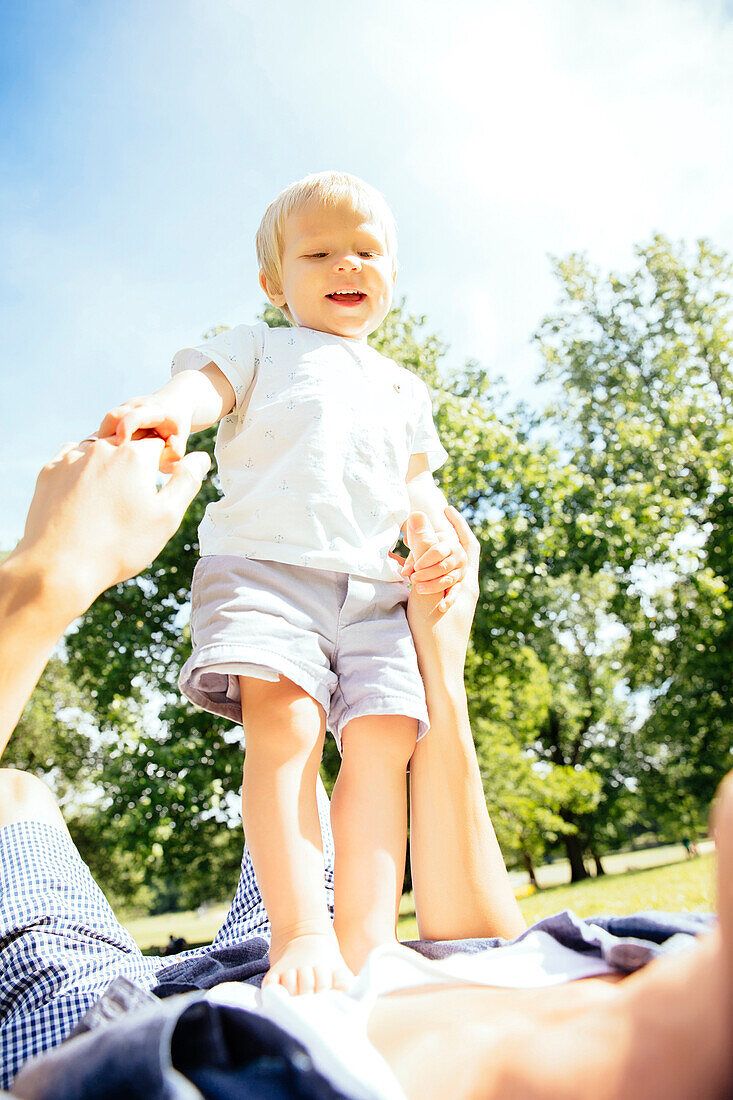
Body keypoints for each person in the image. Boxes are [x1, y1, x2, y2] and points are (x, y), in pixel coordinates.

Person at [2, 434, 733, 1099]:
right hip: (317, 953)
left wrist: (45, 580)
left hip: (107, 1021)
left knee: (15, 796)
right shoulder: (678, 950)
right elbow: (478, 941)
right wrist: (437, 663)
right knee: (312, 788)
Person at [96, 170, 466, 994]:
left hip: (375, 591)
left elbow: (414, 487)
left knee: (386, 742)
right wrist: (168, 407)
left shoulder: (404, 389)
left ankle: (367, 941)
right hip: (267, 572)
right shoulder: (261, 345)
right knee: (287, 730)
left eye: (366, 252)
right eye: (320, 253)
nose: (347, 267)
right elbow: (205, 386)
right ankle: (301, 933)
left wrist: (432, 533)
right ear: (275, 282)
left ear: (391, 274)